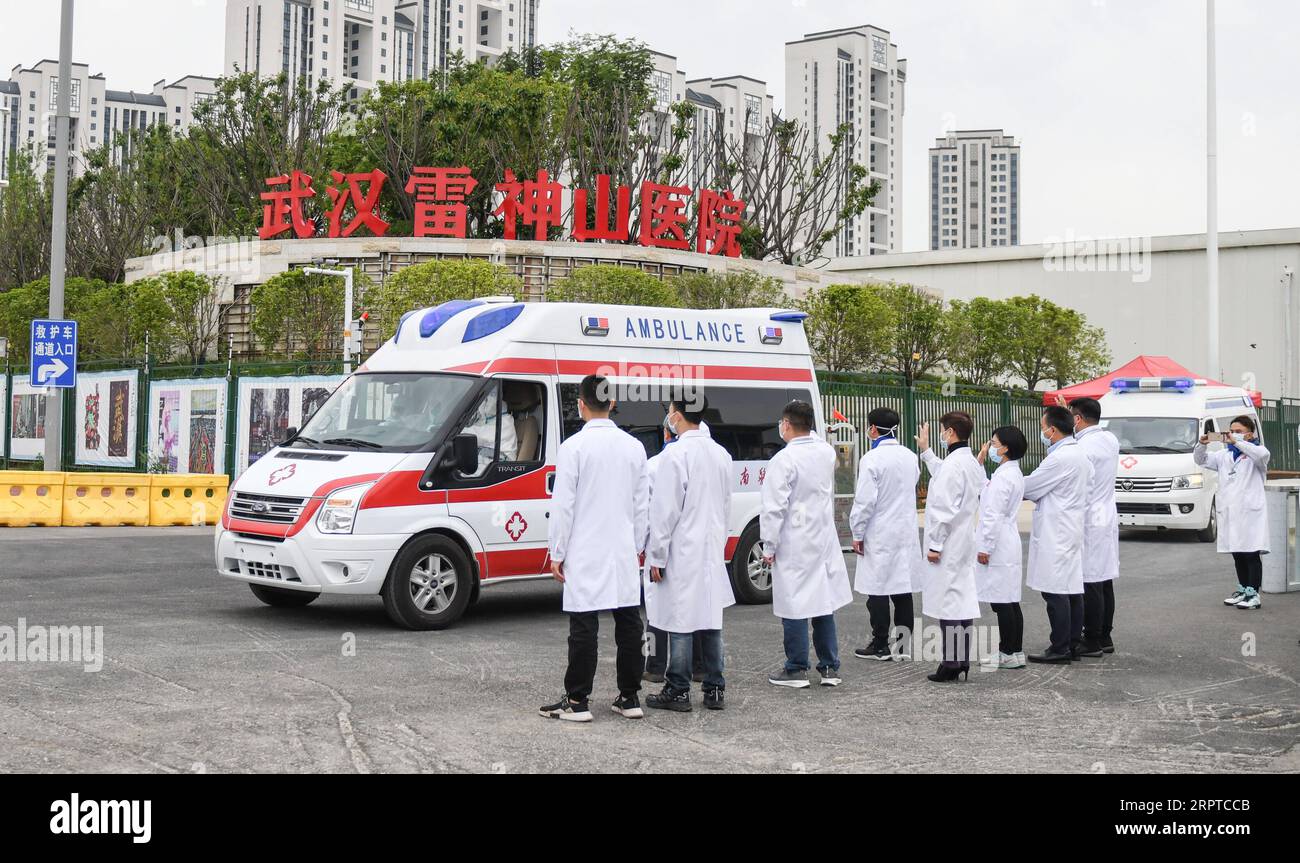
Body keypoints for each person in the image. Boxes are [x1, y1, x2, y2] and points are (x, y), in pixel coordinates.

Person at [539, 375, 649, 722]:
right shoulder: (634, 447)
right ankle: (630, 697)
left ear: (581, 405)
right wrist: (638, 546)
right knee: (629, 622)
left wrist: (557, 551)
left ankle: (577, 700)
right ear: (612, 404)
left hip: (585, 548)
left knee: (584, 626)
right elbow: (642, 503)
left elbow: (563, 505)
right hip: (621, 549)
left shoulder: (574, 447)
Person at [644, 396, 735, 711]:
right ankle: (714, 690)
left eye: (670, 410)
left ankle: (678, 689)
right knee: (711, 620)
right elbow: (726, 506)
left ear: (677, 415)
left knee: (680, 620)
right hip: (710, 549)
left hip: (681, 551)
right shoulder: (721, 454)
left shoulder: (675, 455)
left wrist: (656, 555)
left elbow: (665, 512)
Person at [761, 400, 854, 688]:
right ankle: (829, 668)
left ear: (786, 425)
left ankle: (796, 668)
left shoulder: (784, 460)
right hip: (822, 536)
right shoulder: (825, 452)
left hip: (794, 539)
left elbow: (774, 508)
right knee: (823, 603)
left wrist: (769, 546)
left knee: (794, 605)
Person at [849, 407, 922, 661]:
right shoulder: (910, 456)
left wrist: (857, 532)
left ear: (872, 429)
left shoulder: (872, 459)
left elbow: (865, 502)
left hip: (880, 531)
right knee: (903, 590)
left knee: (877, 589)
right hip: (905, 530)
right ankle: (902, 647)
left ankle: (880, 643)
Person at [917, 413, 985, 683]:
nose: (942, 434)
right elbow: (943, 473)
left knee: (950, 604)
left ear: (952, 432)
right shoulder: (967, 461)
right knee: (961, 600)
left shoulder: (955, 464)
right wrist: (926, 452)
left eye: (944, 431)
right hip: (963, 539)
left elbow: (944, 509)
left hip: (948, 542)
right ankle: (960, 660)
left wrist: (934, 545)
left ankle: (951, 662)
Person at [642, 419, 711, 685]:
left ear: (665, 432)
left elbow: (651, 513)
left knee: (658, 610)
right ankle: (700, 667)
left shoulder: (655, 465)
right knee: (695, 609)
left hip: (664, 546)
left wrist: (648, 547)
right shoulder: (714, 461)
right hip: (697, 547)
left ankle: (656, 667)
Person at [1023, 406, 1093, 664]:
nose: (1043, 432)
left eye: (1043, 428)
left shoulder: (1059, 458)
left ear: (1052, 430)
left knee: (1055, 591)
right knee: (1071, 588)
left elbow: (1030, 487)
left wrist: (1005, 482)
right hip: (1070, 527)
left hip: (1058, 530)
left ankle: (1060, 646)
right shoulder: (1080, 455)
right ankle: (1072, 642)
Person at [1194, 415, 1270, 610]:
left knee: (1251, 553)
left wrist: (1238, 442)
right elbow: (1201, 460)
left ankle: (1254, 595)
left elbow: (1262, 456)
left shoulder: (1257, 453)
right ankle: (1244, 589)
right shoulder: (1224, 455)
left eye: (1238, 431)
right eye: (1231, 431)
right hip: (1231, 511)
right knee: (1237, 553)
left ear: (1250, 434)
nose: (1232, 435)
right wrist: (1202, 444)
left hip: (1250, 513)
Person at [1067, 397, 1120, 656]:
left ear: (1077, 419)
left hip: (1090, 517)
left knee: (1090, 580)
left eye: (1070, 418)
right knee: (1104, 578)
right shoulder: (1109, 439)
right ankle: (1105, 635)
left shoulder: (1083, 447)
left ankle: (1092, 639)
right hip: (1106, 513)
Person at [974, 426, 1028, 669]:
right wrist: (981, 464)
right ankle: (1014, 651)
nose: (990, 446)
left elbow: (991, 515)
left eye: (993, 443)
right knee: (1009, 599)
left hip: (998, 541)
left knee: (1002, 601)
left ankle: (1007, 651)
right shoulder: (1010, 473)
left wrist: (984, 547)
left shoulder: (1004, 477)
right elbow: (986, 491)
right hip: (1007, 539)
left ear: (1005, 448)